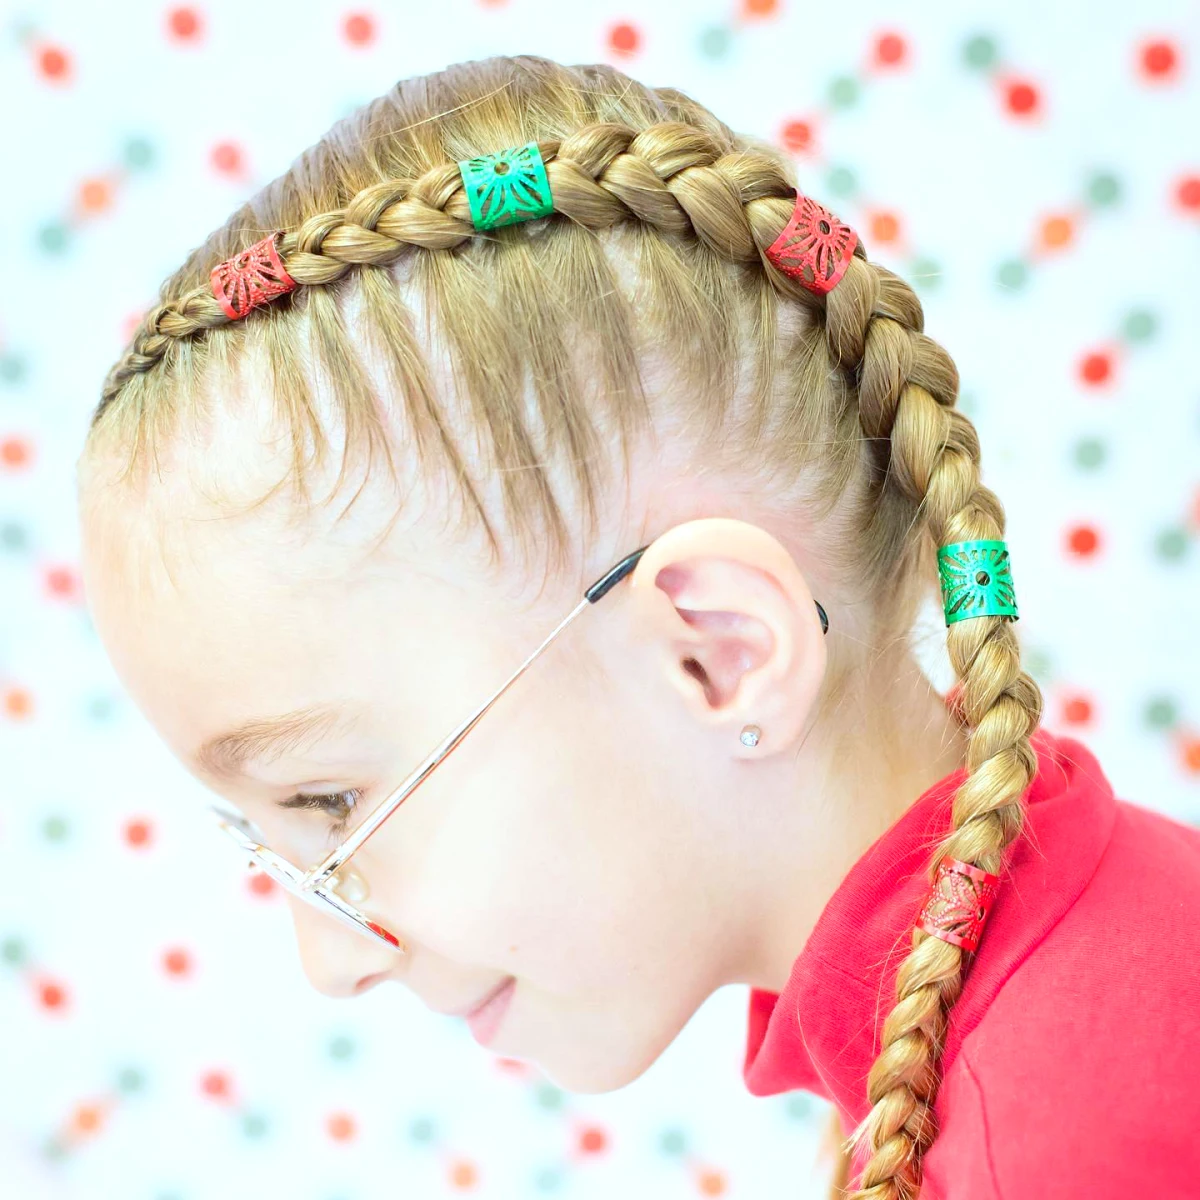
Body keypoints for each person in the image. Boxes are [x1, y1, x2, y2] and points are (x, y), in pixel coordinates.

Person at [75, 54, 1200, 1199]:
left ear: (718, 655)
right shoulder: (1070, 965)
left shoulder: (1061, 1152)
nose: (329, 963)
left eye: (335, 805)